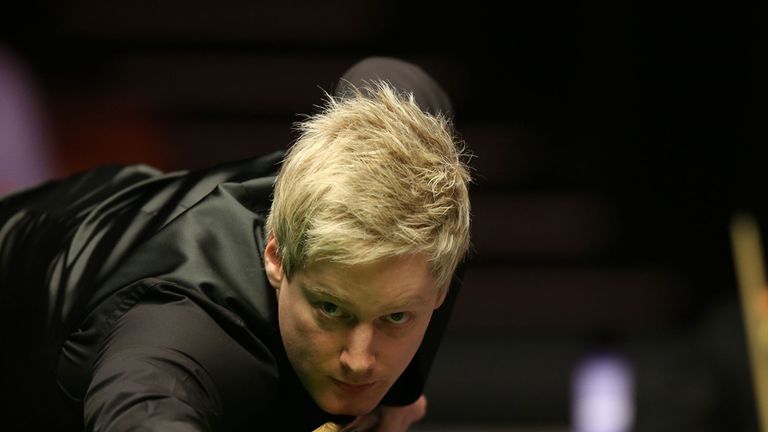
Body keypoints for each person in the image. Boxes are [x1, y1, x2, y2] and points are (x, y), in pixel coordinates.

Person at [0, 57, 471, 431]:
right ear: (275, 256)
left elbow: (395, 76)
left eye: (394, 317)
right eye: (330, 308)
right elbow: (144, 406)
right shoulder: (177, 340)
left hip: (122, 206)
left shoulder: (409, 187)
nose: (360, 361)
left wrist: (401, 392)